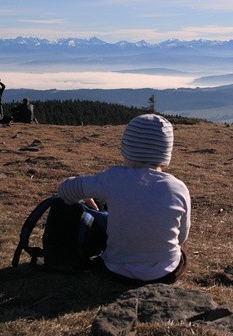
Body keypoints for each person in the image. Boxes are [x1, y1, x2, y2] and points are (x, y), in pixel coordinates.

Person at [57, 114, 190, 284]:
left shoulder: (112, 178)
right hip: (165, 274)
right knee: (183, 247)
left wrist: (85, 196)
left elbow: (64, 189)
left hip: (116, 270)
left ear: (126, 147)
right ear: (166, 152)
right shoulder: (178, 187)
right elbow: (181, 237)